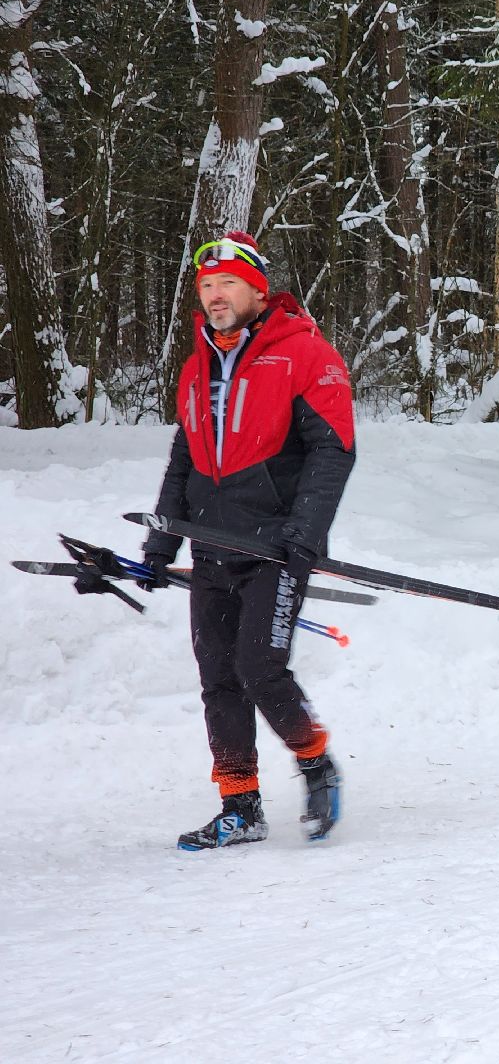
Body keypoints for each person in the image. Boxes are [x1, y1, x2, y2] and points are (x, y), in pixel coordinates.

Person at [141, 231, 356, 849]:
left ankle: (316, 764)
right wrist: (161, 545)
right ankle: (241, 806)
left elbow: (333, 450)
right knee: (218, 677)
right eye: (206, 287)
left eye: (228, 284)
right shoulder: (196, 365)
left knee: (259, 666)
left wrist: (305, 534)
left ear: (258, 291)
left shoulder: (306, 355)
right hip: (208, 543)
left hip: (275, 546)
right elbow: (183, 459)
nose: (215, 296)